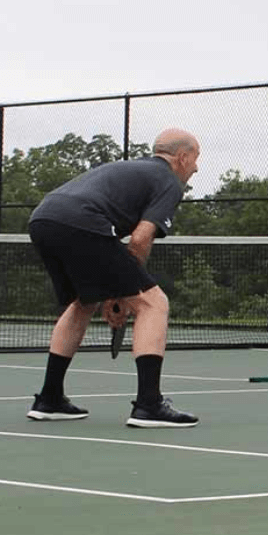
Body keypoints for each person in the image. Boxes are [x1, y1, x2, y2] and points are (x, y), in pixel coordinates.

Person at [25, 128, 202, 428]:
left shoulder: (131, 168)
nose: (197, 168)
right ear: (182, 157)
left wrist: (115, 291)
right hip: (81, 222)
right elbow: (140, 240)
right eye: (196, 159)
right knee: (154, 303)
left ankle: (50, 398)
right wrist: (121, 294)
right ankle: (149, 405)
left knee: (83, 302)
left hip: (43, 219)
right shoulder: (169, 181)